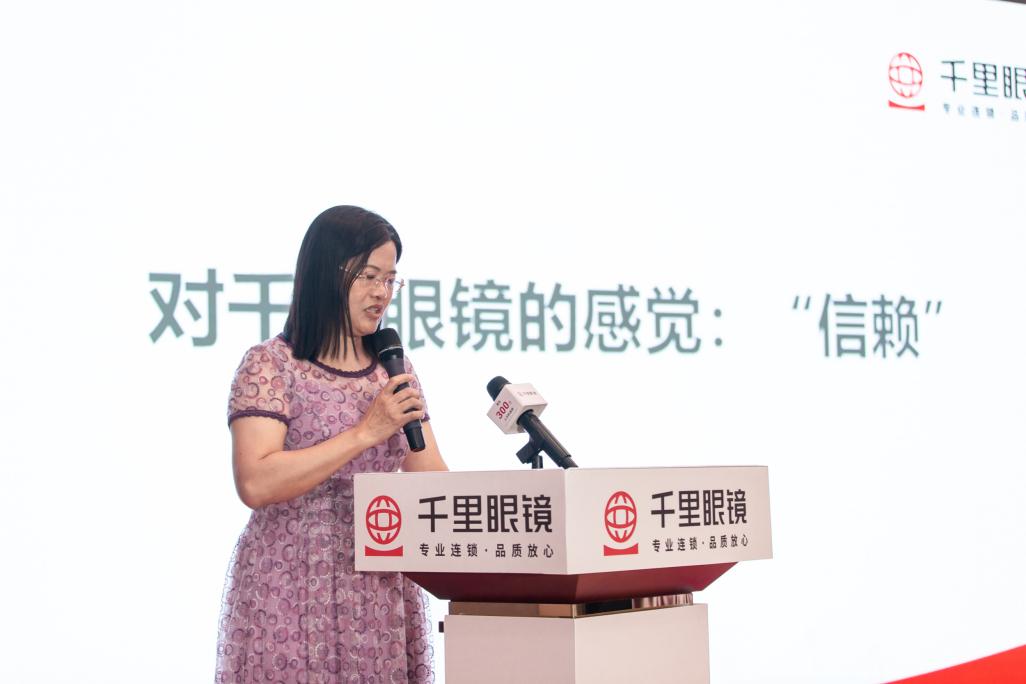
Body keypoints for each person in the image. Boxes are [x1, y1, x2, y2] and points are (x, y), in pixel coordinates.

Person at [215, 206, 447, 684]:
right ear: (326, 273)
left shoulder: (394, 368)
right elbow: (255, 482)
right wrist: (365, 433)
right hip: (289, 580)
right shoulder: (272, 365)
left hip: (379, 580)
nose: (382, 293)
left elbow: (431, 479)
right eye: (369, 276)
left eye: (391, 279)